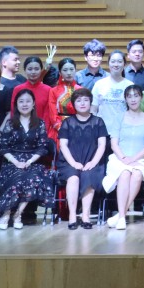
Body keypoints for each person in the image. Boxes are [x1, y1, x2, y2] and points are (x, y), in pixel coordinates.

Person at [0, 89, 55, 230]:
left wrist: (29, 161)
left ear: (33, 104)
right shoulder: (10, 123)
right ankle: (6, 213)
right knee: (17, 177)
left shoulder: (40, 123)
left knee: (34, 178)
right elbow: (3, 147)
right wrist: (16, 162)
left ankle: (17, 214)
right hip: (12, 161)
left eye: (28, 101)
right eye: (21, 101)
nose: (24, 104)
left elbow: (42, 147)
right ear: (16, 104)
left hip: (33, 161)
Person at [103, 84, 144, 230]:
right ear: (125, 99)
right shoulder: (119, 117)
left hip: (140, 159)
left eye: (136, 96)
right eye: (129, 96)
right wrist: (124, 158)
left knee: (137, 174)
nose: (133, 99)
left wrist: (134, 159)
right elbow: (114, 143)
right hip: (119, 158)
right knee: (125, 173)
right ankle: (121, 216)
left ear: (141, 97)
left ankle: (121, 216)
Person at [57, 88, 108, 230]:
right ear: (73, 104)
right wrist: (73, 163)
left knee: (89, 176)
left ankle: (86, 215)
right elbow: (63, 145)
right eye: (79, 101)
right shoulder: (67, 122)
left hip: (93, 161)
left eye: (86, 100)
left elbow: (102, 145)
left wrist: (93, 162)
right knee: (73, 178)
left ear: (91, 102)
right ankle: (72, 215)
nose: (83, 103)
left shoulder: (98, 121)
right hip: (69, 162)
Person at [11, 55, 57, 133]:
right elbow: (14, 111)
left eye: (36, 69)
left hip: (41, 131)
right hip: (20, 131)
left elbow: (48, 114)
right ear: (25, 70)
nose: (33, 72)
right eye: (30, 69)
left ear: (41, 70)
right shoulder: (17, 89)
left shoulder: (48, 90)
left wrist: (43, 131)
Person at [91, 50, 132, 134]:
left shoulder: (130, 85)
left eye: (119, 61)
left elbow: (133, 111)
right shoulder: (99, 84)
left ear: (124, 64)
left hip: (123, 131)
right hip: (101, 131)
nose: (116, 64)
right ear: (108, 64)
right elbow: (93, 109)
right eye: (113, 61)